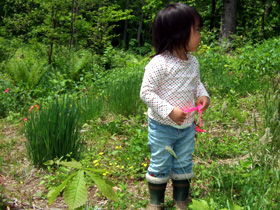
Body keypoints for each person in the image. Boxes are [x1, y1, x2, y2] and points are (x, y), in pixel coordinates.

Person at [140, 3, 210, 210]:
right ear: (178, 32)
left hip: (187, 126)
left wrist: (203, 95)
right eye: (195, 30)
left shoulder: (193, 62)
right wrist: (169, 111)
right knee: (161, 163)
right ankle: (156, 203)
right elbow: (146, 92)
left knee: (184, 163)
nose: (199, 35)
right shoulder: (159, 64)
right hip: (162, 126)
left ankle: (181, 201)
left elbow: (196, 83)